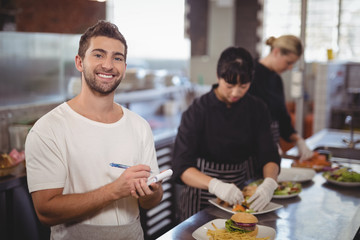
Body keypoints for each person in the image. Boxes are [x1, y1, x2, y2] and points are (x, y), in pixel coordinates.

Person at [25, 20, 163, 240]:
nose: (108, 65)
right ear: (80, 62)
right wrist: (114, 190)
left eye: (117, 58)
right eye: (98, 55)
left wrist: (151, 193)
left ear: (124, 68)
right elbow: (46, 211)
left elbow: (152, 202)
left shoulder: (140, 126)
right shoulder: (48, 129)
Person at [172, 47, 281, 221]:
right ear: (218, 77)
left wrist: (269, 183)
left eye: (243, 86)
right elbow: (181, 166)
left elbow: (269, 154)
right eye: (229, 86)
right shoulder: (197, 111)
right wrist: (215, 185)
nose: (235, 93)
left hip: (243, 192)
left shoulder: (257, 108)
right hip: (201, 195)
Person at [249, 35, 313, 161]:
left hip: (272, 151)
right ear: (276, 52)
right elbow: (246, 119)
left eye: (292, 64)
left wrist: (299, 140)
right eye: (288, 62)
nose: (289, 68)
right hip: (252, 149)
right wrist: (264, 142)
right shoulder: (251, 75)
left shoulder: (276, 80)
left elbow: (283, 119)